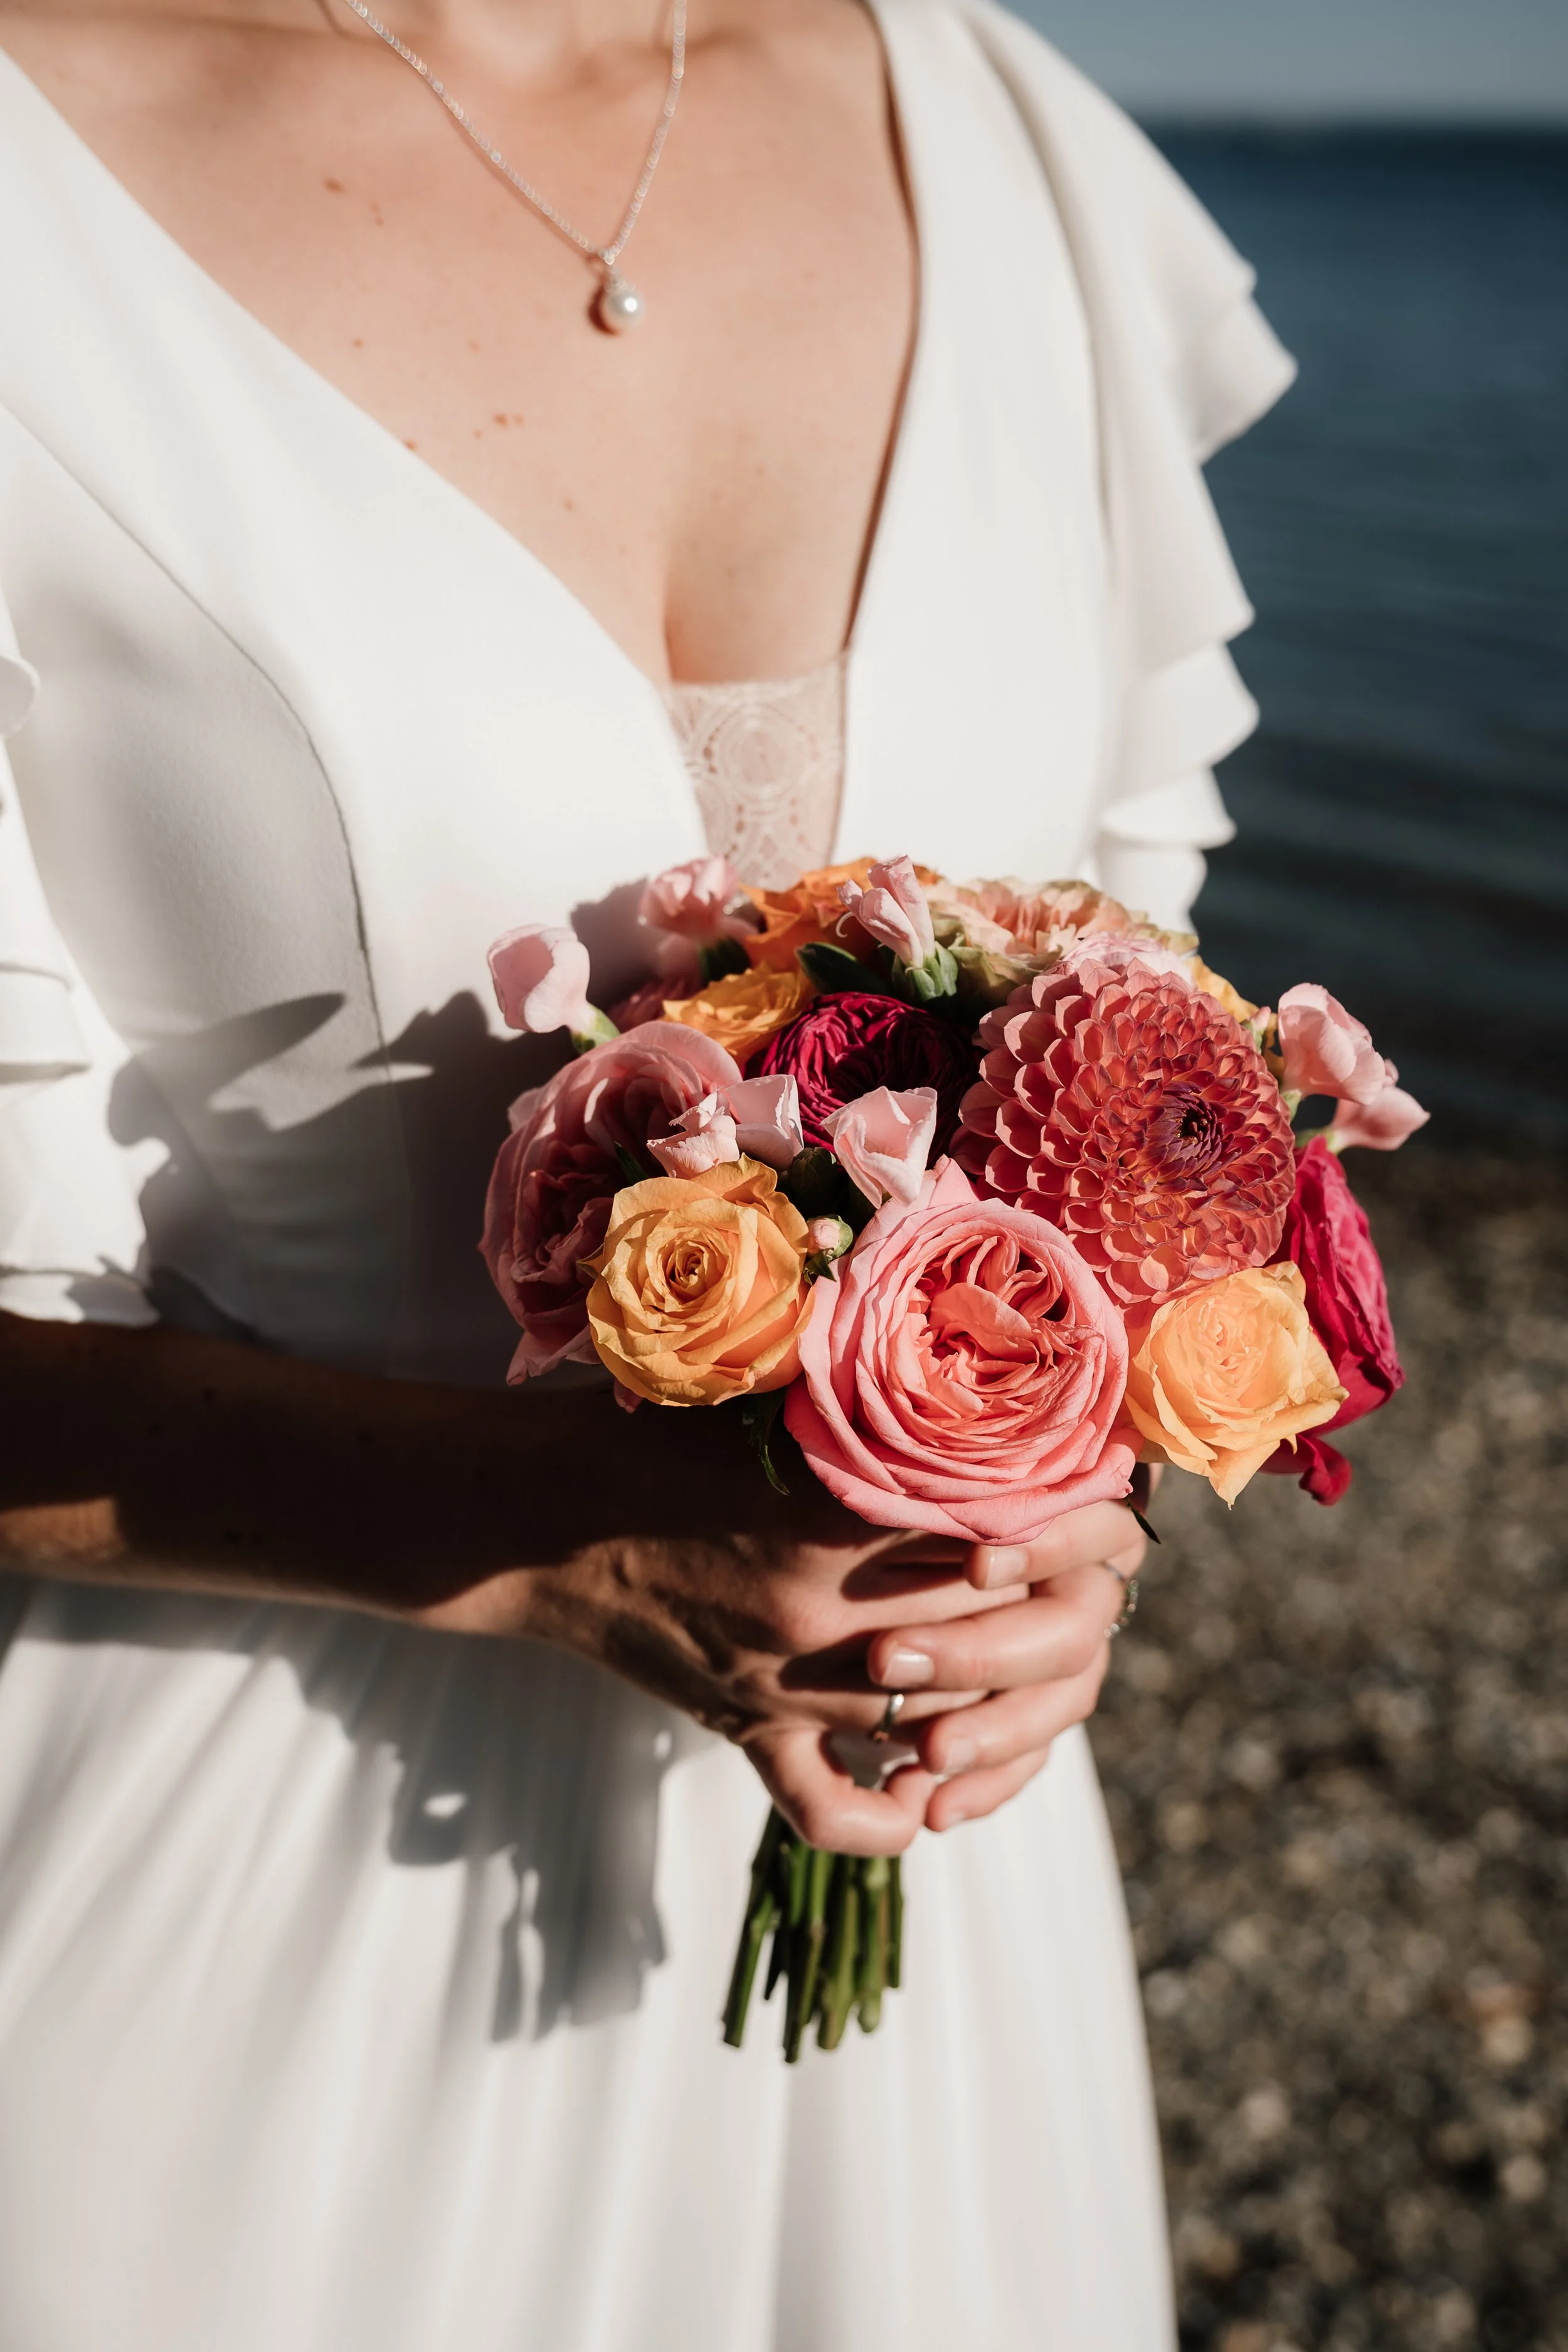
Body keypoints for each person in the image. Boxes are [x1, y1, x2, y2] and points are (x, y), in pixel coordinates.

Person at [0, 0, 1292, 2339]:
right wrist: (550, 1542)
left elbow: (1144, 1065)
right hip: (222, 1893)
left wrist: (1060, 1477)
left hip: (925, 1875)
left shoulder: (983, 127)